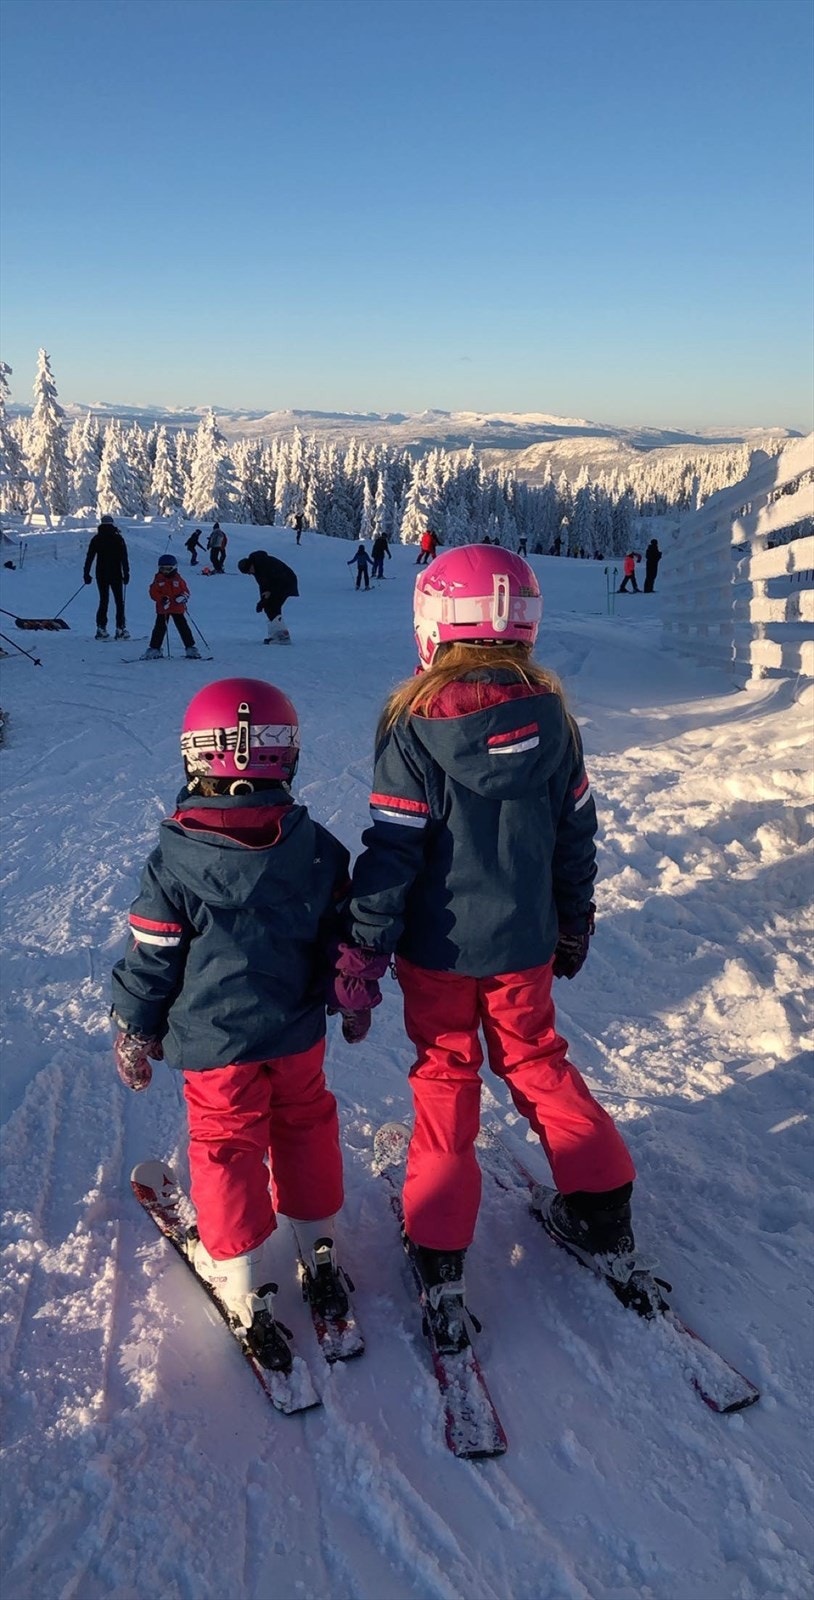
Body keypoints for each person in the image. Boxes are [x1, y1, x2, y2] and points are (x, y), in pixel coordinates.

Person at [339, 544, 637, 1353]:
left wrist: (364, 952)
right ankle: (603, 1202)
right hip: (524, 947)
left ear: (434, 629)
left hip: (438, 950)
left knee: (446, 1075)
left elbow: (393, 850)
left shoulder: (412, 727)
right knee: (536, 1059)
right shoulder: (554, 723)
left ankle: (440, 1248)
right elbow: (577, 835)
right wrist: (573, 916)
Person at [110, 677, 369, 1368]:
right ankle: (317, 1240)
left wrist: (136, 1026)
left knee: (226, 1143)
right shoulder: (318, 850)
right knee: (305, 1120)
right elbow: (344, 940)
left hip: (215, 1046)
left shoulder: (174, 862)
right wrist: (350, 998)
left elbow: (154, 957)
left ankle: (245, 1274)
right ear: (285, 757)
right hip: (294, 1035)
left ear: (195, 757)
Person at [142, 553, 201, 659]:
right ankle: (155, 648)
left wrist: (183, 597)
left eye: (168, 569)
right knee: (159, 628)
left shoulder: (178, 580)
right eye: (163, 569)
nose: (165, 572)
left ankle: (190, 648)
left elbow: (186, 591)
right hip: (163, 609)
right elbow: (153, 592)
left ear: (174, 568)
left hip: (177, 608)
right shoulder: (158, 580)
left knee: (183, 628)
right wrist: (162, 599)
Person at [83, 514, 130, 640]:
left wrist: (86, 574)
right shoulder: (118, 538)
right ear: (112, 524)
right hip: (116, 574)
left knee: (103, 600)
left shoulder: (96, 539)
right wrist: (126, 574)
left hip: (101, 574)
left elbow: (90, 558)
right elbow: (124, 559)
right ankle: (120, 629)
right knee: (119, 602)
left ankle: (101, 628)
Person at [237, 550, 299, 643]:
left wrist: (269, 594)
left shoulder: (264, 564)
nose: (250, 574)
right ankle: (276, 635)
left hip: (286, 582)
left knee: (273, 606)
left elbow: (277, 579)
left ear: (251, 565)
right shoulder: (257, 569)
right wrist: (262, 601)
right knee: (269, 607)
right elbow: (263, 585)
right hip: (279, 584)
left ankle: (282, 637)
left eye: (248, 571)